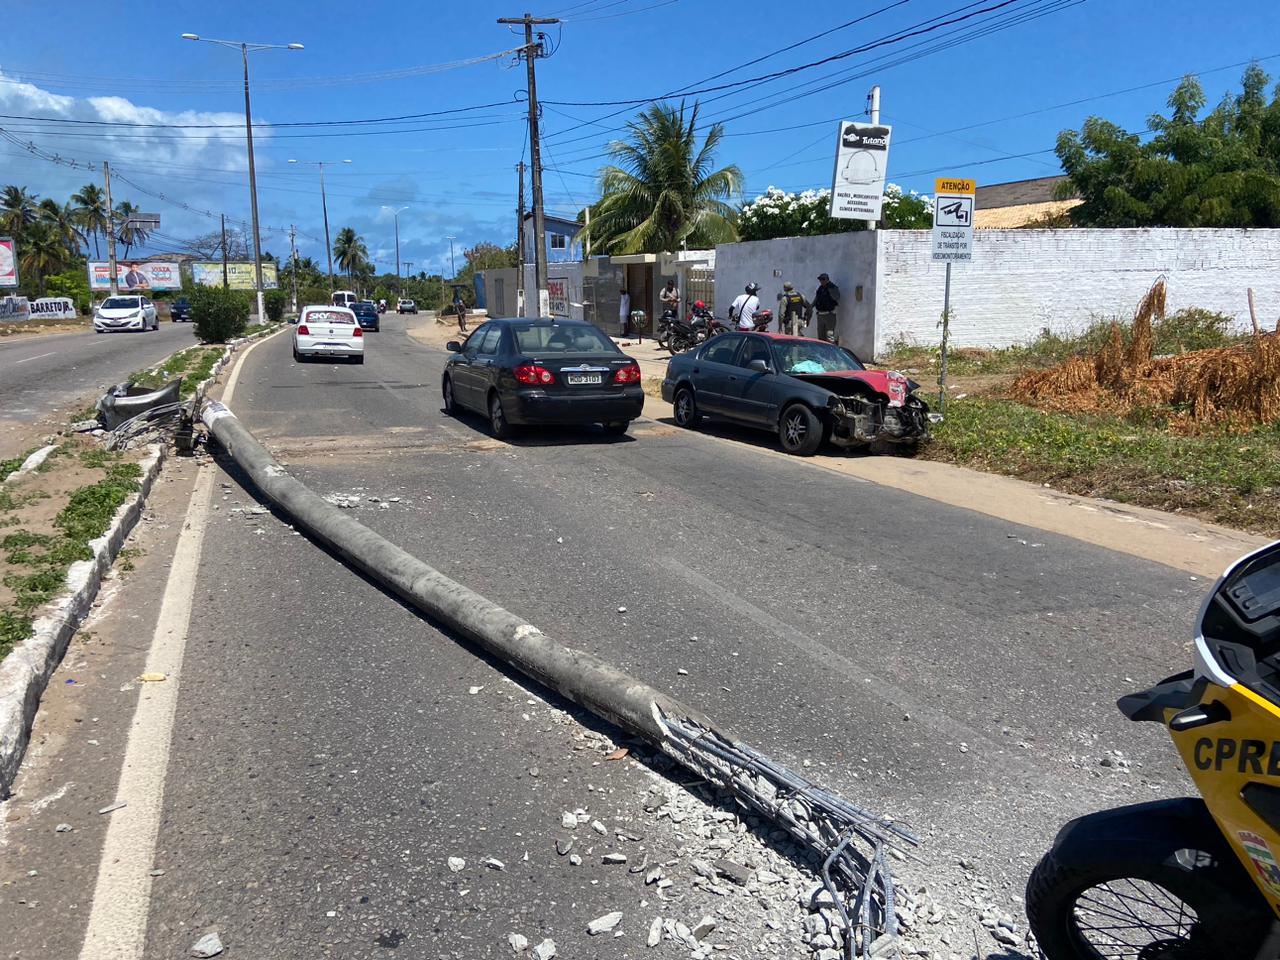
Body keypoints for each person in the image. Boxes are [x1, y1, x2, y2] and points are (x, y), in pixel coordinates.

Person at [813, 273, 840, 344]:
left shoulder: (832, 287)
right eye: (820, 280)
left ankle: (832, 352)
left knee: (829, 335)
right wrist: (811, 306)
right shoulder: (820, 288)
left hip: (829, 314)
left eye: (823, 280)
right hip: (820, 314)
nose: (821, 281)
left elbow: (836, 297)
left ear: (827, 280)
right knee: (821, 336)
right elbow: (817, 298)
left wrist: (830, 290)